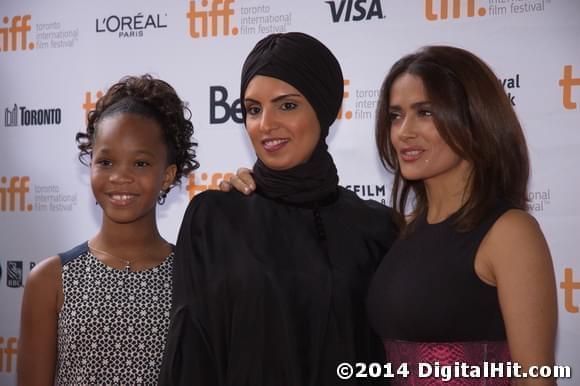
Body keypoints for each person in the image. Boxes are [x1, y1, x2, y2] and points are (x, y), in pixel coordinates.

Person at [159, 32, 398, 386]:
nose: (265, 125)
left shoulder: (376, 227)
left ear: (323, 107)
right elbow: (193, 359)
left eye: (287, 105)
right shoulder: (213, 218)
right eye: (253, 109)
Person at [365, 46, 557, 385]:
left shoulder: (509, 232)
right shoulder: (403, 230)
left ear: (474, 119)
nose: (404, 131)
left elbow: (535, 379)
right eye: (395, 115)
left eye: (425, 112)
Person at [17, 74, 198, 385]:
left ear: (167, 176)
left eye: (140, 163)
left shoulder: (192, 277)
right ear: (91, 166)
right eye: (106, 162)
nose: (120, 177)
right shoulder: (50, 280)